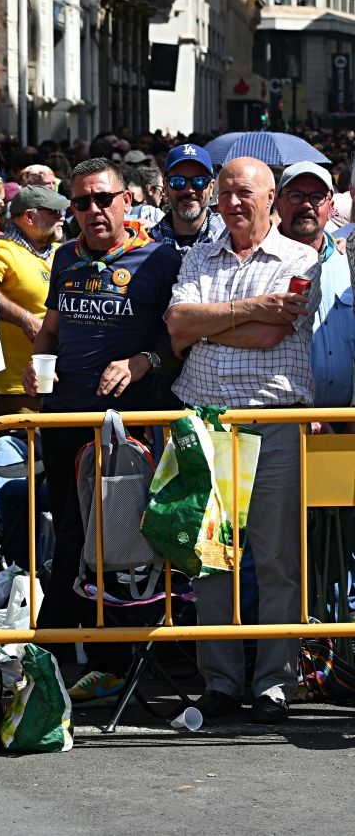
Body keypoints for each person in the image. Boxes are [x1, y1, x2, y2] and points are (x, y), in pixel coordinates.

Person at [21, 157, 183, 702]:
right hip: (65, 420)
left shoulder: (159, 259)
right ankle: (61, 657)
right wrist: (35, 361)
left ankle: (94, 660)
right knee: (67, 542)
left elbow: (177, 342)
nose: (93, 210)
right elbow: (51, 329)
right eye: (82, 202)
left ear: (125, 201)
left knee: (108, 546)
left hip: (124, 433)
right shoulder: (65, 257)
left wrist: (142, 362)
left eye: (103, 199)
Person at [164, 157, 319, 725]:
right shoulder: (199, 254)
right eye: (224, 190)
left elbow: (277, 329)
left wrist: (209, 322)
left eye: (244, 191)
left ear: (270, 197)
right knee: (212, 563)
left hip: (274, 421)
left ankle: (274, 684)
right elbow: (177, 325)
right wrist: (243, 312)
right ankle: (222, 683)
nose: (232, 201)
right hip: (208, 423)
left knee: (277, 560)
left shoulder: (301, 258)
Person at [274, 161, 354, 410]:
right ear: (278, 203)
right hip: (288, 421)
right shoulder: (261, 261)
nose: (306, 205)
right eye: (296, 195)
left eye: (317, 197)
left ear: (330, 207)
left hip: (348, 421)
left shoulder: (348, 257)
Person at [0, 185, 69, 415]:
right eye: (54, 212)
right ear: (29, 216)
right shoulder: (3, 250)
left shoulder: (60, 253)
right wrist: (24, 319)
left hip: (63, 383)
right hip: (18, 388)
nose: (62, 217)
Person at [151, 143, 226, 252]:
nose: (189, 190)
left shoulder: (229, 237)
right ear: (165, 187)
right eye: (177, 181)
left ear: (211, 188)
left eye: (199, 181)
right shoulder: (147, 242)